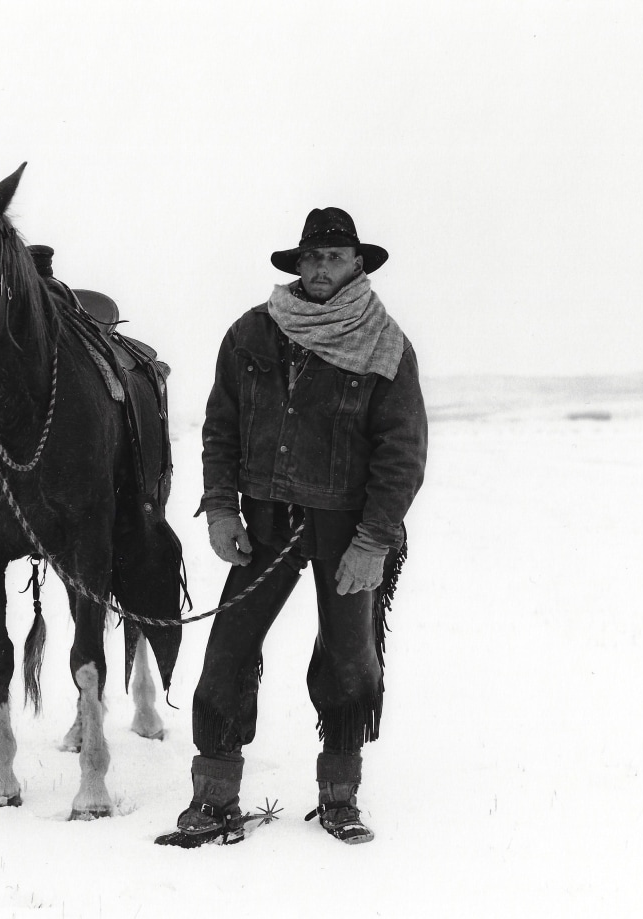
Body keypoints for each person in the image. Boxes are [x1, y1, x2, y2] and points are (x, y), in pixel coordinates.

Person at [155, 206, 427, 848]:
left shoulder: (386, 345)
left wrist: (373, 540)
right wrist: (221, 508)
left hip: (348, 527)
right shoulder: (253, 333)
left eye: (336, 257)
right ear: (297, 263)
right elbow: (221, 425)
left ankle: (340, 797)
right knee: (227, 652)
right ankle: (214, 800)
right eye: (313, 256)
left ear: (358, 263)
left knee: (349, 657)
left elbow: (403, 452)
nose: (323, 267)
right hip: (266, 521)